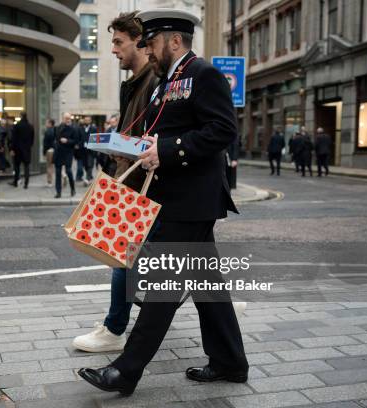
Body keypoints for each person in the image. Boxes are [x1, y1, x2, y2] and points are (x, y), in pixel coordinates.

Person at [78, 9, 248, 394]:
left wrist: (169, 150)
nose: (147, 50)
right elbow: (158, 133)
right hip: (173, 197)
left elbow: (223, 130)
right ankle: (231, 363)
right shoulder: (165, 82)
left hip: (192, 200)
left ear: (174, 40)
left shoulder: (203, 75)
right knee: (209, 288)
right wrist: (125, 144)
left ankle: (126, 371)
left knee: (162, 287)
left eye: (151, 43)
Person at [72, 10, 159, 353]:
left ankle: (114, 329)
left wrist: (117, 144)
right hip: (132, 182)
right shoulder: (135, 83)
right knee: (157, 259)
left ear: (140, 41)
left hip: (143, 185)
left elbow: (151, 139)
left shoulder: (153, 82)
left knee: (124, 256)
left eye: (118, 42)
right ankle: (218, 306)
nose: (113, 49)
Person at [54, 112, 78, 198]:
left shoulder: (73, 129)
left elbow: (75, 141)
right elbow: (56, 138)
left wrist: (67, 141)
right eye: (66, 118)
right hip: (58, 152)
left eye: (69, 118)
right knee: (57, 172)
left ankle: (72, 188)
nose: (68, 120)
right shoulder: (58, 127)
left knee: (68, 171)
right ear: (63, 118)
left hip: (68, 152)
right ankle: (58, 192)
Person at [9, 112, 34, 189]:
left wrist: (12, 149)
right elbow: (32, 139)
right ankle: (26, 183)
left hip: (18, 149)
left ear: (21, 116)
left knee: (17, 166)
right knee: (26, 166)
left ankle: (16, 182)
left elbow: (14, 139)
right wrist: (29, 146)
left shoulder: (17, 126)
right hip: (26, 149)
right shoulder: (30, 126)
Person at [77, 115, 97, 185]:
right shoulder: (80, 128)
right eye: (85, 120)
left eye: (88, 120)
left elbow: (95, 139)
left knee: (90, 164)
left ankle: (87, 179)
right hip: (83, 150)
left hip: (90, 150)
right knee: (85, 165)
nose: (86, 121)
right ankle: (90, 176)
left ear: (90, 121)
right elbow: (78, 138)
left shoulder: (94, 128)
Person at [43, 118, 56, 187]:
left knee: (49, 166)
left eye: (47, 123)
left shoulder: (47, 131)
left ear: (50, 124)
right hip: (55, 150)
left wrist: (44, 152)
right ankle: (63, 175)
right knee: (57, 166)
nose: (46, 124)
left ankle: (49, 182)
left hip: (49, 150)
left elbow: (45, 143)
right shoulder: (56, 130)